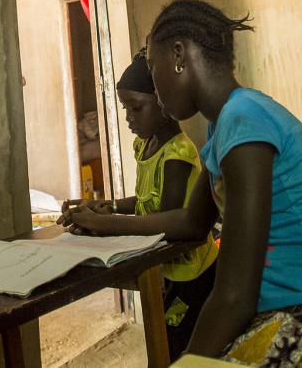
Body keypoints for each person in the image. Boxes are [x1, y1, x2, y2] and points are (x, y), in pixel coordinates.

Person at [62, 0, 302, 366]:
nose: (154, 83)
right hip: (291, 306)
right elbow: (191, 223)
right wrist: (105, 223)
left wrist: (186, 364)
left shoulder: (245, 120)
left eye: (153, 67)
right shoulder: (223, 127)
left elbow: (234, 295)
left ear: (179, 55)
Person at [59, 51, 218, 361]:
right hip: (167, 271)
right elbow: (146, 200)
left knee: (181, 347)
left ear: (164, 105)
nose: (129, 117)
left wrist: (103, 225)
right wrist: (111, 207)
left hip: (191, 273)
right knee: (164, 339)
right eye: (125, 108)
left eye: (136, 108)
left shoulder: (178, 153)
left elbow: (165, 223)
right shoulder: (144, 145)